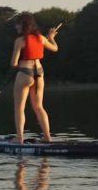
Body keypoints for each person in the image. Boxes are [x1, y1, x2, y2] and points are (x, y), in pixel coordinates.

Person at [9, 14, 61, 143]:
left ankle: (19, 139)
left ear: (24, 25)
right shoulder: (42, 38)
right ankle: (47, 137)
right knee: (39, 107)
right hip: (39, 73)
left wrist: (17, 62)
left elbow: (14, 63)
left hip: (24, 73)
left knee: (19, 108)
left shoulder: (19, 41)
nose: (16, 26)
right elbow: (55, 48)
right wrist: (52, 38)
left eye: (18, 24)